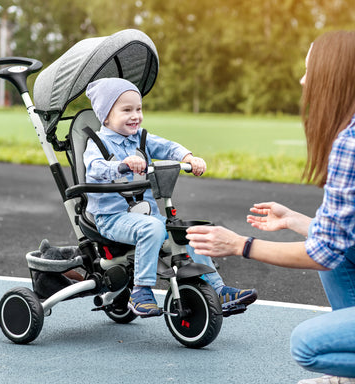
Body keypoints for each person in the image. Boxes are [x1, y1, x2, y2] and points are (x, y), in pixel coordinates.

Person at [186, 31, 355, 382]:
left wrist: (240, 246)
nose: (302, 80)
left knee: (308, 345)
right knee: (340, 246)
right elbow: (339, 237)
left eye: (309, 70)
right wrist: (295, 220)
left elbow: (322, 253)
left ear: (333, 76)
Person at [83, 77, 257, 317]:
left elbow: (168, 147)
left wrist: (188, 157)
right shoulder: (98, 143)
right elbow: (94, 168)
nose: (135, 115)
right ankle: (141, 290)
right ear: (105, 117)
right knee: (153, 228)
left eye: (139, 109)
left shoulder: (141, 139)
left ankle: (219, 289)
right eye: (127, 110)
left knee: (188, 233)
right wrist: (122, 165)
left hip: (148, 218)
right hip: (111, 218)